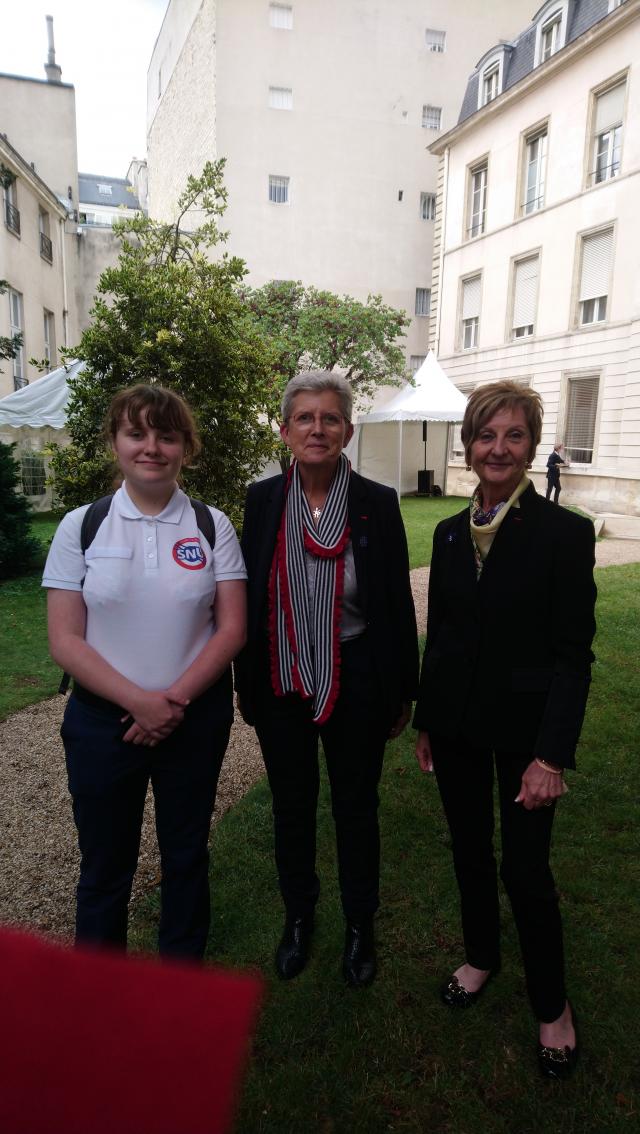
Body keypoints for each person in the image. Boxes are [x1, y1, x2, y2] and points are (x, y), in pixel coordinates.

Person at [414, 380, 596, 1079]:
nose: (498, 448)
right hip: (457, 726)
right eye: (486, 436)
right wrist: (429, 720)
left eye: (513, 435)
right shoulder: (449, 532)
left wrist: (551, 755)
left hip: (527, 737)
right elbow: (446, 639)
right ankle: (482, 955)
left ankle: (552, 1006)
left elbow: (572, 657)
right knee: (468, 851)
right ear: (469, 445)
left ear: (531, 446)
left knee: (526, 871)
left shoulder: (564, 535)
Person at [43, 384, 247, 959]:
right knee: (106, 865)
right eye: (137, 433)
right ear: (115, 443)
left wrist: (171, 702)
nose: (151, 446)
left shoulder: (212, 526)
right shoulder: (81, 526)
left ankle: (176, 986)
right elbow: (65, 639)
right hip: (102, 726)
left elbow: (231, 629)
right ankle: (100, 998)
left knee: (186, 857)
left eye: (166, 434)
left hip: (193, 719)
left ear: (186, 446)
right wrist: (139, 701)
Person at [235, 371, 419, 987]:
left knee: (356, 808)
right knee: (292, 808)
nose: (318, 428)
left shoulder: (377, 501)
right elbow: (249, 597)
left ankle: (360, 925)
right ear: (285, 430)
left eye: (331, 418)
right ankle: (299, 917)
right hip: (283, 679)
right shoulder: (262, 501)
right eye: (305, 418)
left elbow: (395, 601)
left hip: (359, 678)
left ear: (347, 429)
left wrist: (403, 688)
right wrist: (247, 684)